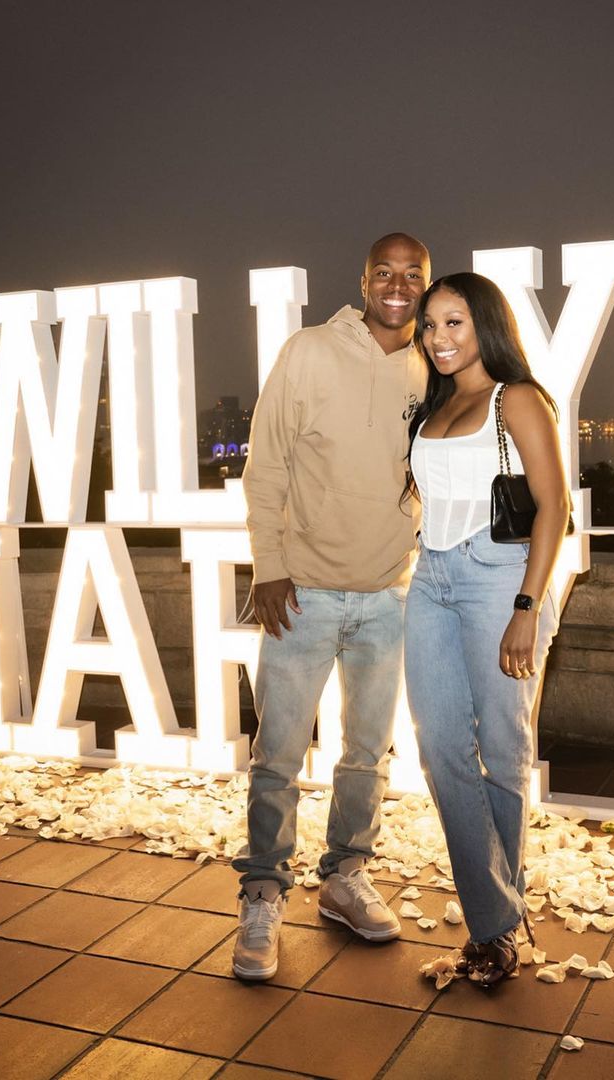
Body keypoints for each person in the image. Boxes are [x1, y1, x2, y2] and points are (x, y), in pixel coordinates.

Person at [231, 233, 431, 981]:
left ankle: (345, 877)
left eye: (413, 274)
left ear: (426, 285)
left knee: (366, 754)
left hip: (389, 594)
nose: (399, 285)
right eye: (386, 272)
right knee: (277, 754)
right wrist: (271, 567)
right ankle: (261, 894)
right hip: (304, 594)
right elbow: (267, 464)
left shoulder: (431, 365)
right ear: (365, 279)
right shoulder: (310, 351)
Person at [404, 272, 570, 987]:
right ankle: (502, 916)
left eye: (455, 324)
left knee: (502, 752)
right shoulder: (434, 407)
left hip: (499, 578)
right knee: (441, 751)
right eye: (430, 326)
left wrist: (528, 609)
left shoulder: (517, 399)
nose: (439, 339)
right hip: (431, 577)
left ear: (486, 328)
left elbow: (554, 506)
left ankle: (492, 932)